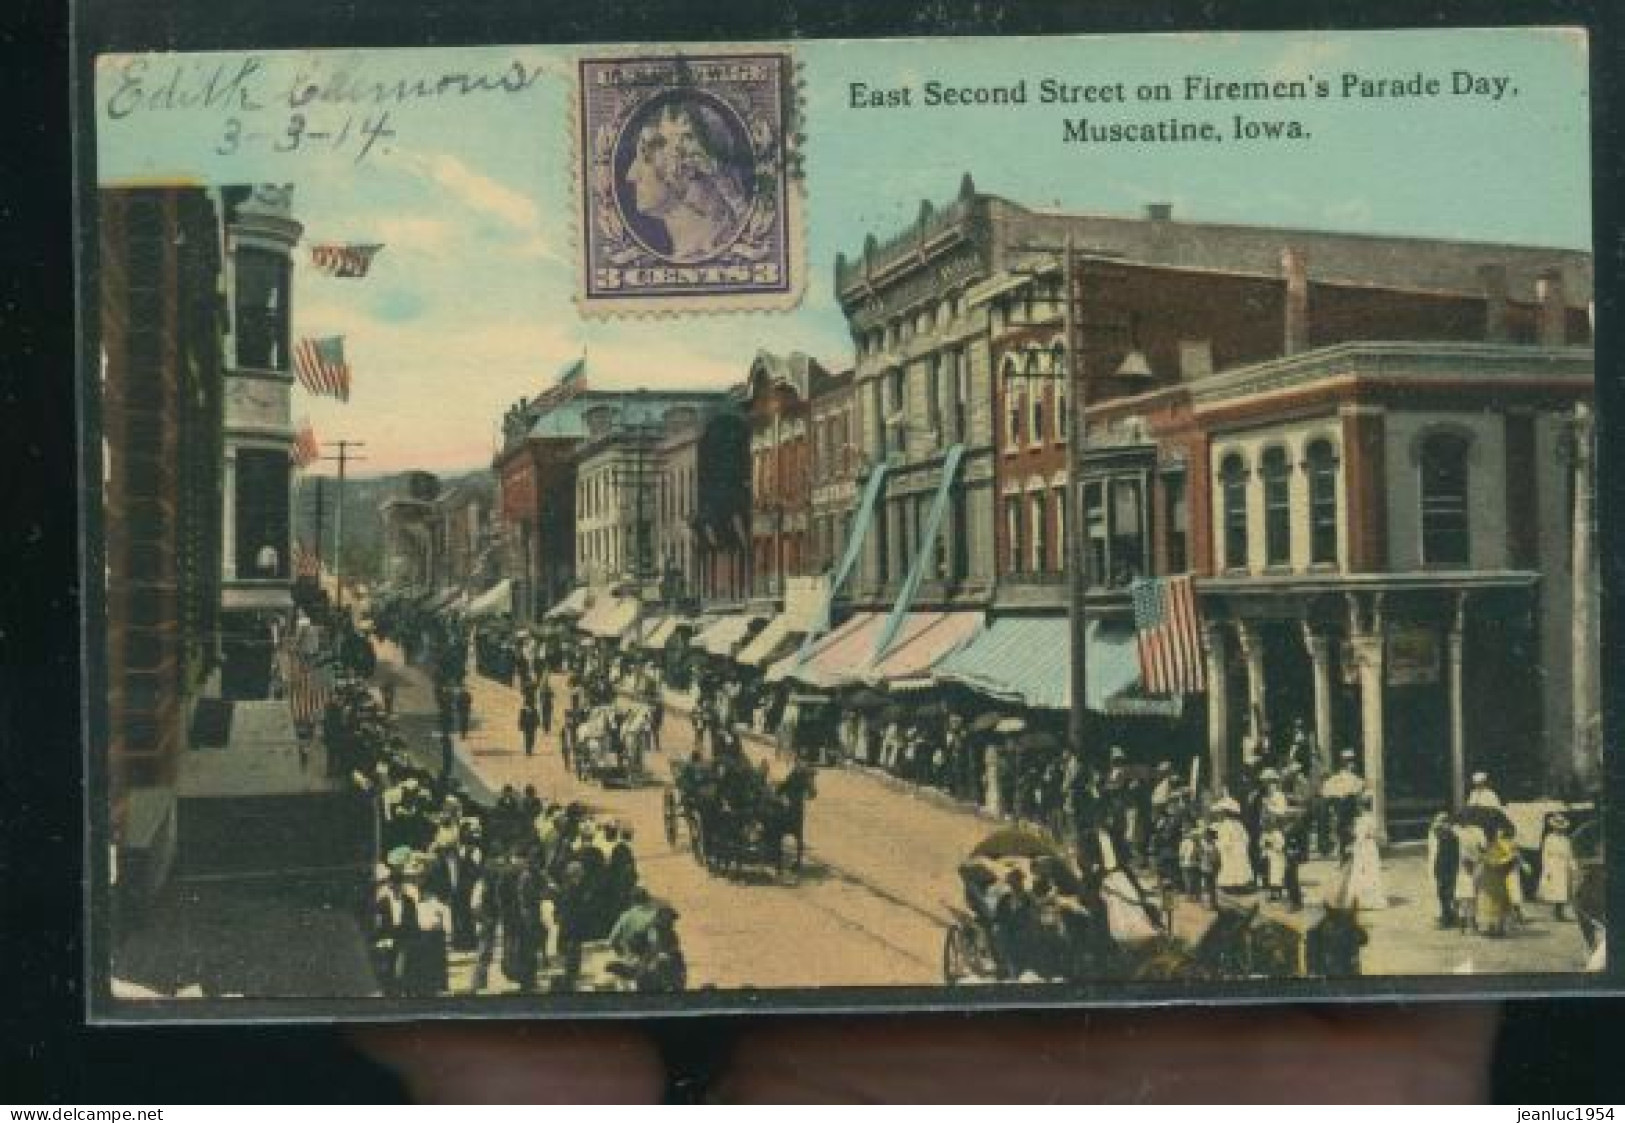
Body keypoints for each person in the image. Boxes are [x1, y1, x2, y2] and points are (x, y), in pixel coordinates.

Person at [1330, 795, 1387, 910]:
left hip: (1364, 847)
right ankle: (1371, 898)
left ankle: (1363, 900)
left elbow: (1361, 836)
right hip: (1371, 847)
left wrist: (1352, 845)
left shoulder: (1362, 820)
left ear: (1361, 806)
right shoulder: (1372, 817)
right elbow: (1370, 832)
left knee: (1362, 872)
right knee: (1371, 873)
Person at [1477, 822, 1519, 937]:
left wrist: (1509, 859)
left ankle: (1498, 927)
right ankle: (1491, 927)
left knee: (1498, 902)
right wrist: (1507, 859)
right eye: (1490, 834)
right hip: (1489, 877)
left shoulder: (1498, 846)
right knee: (1489, 902)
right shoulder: (1485, 846)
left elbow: (1506, 861)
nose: (1492, 836)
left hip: (1497, 877)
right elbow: (1490, 861)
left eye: (1493, 833)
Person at [1537, 814, 1578, 920]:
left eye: (1561, 827)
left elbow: (1570, 854)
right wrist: (1546, 867)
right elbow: (1545, 853)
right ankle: (1556, 912)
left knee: (1564, 889)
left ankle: (1560, 911)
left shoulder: (1566, 839)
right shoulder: (1549, 838)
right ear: (1553, 827)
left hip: (1563, 865)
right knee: (1555, 888)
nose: (1559, 829)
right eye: (1557, 827)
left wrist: (1573, 866)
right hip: (1553, 864)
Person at [1427, 812, 1461, 928]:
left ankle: (1448, 918)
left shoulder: (1449, 835)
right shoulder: (1444, 834)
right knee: (1443, 893)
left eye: (1443, 821)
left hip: (1448, 868)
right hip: (1443, 867)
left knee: (1447, 893)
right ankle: (1448, 915)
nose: (1440, 824)